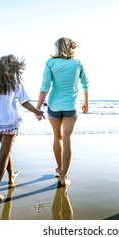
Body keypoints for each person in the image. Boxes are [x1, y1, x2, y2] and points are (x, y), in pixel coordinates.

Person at [0, 54, 45, 201]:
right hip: (10, 121)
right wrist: (36, 111)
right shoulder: (16, 82)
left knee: (6, 152)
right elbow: (24, 102)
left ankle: (11, 177)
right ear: (14, 68)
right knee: (4, 154)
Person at [36, 37, 89, 187]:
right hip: (71, 106)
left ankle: (60, 168)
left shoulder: (50, 63)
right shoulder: (77, 63)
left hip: (54, 105)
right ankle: (64, 177)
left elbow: (45, 86)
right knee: (67, 139)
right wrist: (86, 102)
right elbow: (85, 84)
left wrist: (38, 107)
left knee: (57, 137)